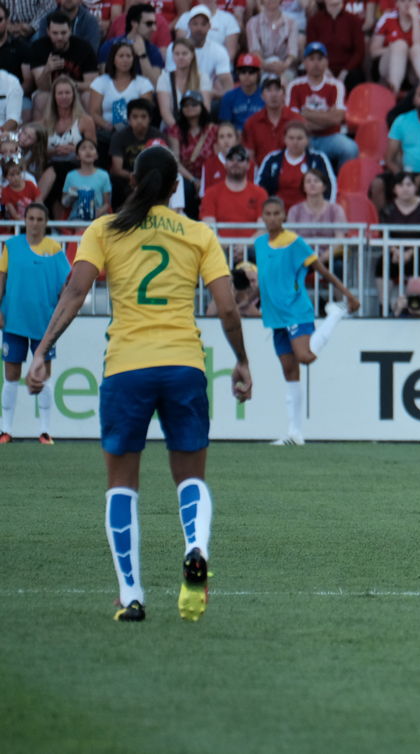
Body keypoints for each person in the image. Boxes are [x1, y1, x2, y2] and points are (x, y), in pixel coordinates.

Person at [25, 145, 252, 622]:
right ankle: (195, 547)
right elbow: (229, 308)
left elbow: (75, 292)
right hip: (184, 366)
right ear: (175, 188)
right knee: (191, 477)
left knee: (121, 485)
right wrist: (242, 361)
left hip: (126, 366)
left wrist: (42, 350)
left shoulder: (104, 230)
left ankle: (132, 594)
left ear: (133, 181)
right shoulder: (198, 234)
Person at [254, 196, 359, 446]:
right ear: (262, 216)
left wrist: (348, 295)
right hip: (275, 316)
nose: (271, 218)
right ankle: (295, 433)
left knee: (306, 357)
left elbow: (322, 271)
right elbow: (267, 279)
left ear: (284, 216)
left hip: (295, 310)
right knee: (290, 372)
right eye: (267, 214)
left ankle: (335, 313)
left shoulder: (294, 242)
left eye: (276, 213)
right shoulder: (259, 244)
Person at [0, 202, 65, 444]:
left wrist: (59, 318)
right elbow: (1, 278)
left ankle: (45, 431)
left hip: (44, 323)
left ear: (46, 222)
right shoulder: (11, 246)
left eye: (40, 219)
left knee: (44, 375)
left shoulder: (55, 248)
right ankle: (6, 430)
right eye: (31, 218)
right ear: (24, 220)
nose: (35, 223)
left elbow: (64, 288)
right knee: (11, 375)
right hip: (13, 319)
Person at [287, 42, 359, 172]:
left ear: (326, 62)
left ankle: (341, 183)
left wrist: (307, 114)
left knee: (351, 148)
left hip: (330, 137)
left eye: (320, 59)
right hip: (303, 137)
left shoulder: (336, 85)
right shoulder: (294, 85)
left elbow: (336, 119)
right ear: (305, 62)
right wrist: (326, 117)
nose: (316, 63)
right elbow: (294, 120)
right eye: (311, 59)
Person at [201, 144, 266, 263]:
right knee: (213, 256)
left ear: (248, 165)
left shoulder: (260, 193)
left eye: (240, 159)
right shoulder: (211, 193)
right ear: (225, 164)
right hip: (220, 247)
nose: (235, 162)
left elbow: (263, 229)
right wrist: (229, 246)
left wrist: (244, 246)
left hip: (251, 248)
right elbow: (209, 228)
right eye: (230, 158)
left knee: (265, 254)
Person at [376, 170, 420, 296]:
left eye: (409, 185)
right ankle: (385, 309)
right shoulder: (387, 209)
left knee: (415, 264)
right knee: (382, 266)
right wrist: (395, 251)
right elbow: (384, 235)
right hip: (395, 252)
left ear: (415, 187)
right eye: (400, 185)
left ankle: (413, 306)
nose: (405, 189)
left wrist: (409, 253)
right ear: (394, 189)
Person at [26, 13, 99, 115]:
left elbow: (93, 84)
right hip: (49, 91)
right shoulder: (39, 47)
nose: (59, 37)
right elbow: (43, 87)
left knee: (88, 97)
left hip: (77, 90)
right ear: (48, 32)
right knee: (41, 99)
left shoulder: (84, 47)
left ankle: (88, 129)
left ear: (70, 31)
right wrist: (47, 70)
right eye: (55, 33)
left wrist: (69, 86)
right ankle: (40, 131)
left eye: (63, 33)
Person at [256, 122, 335, 210]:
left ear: (307, 140)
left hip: (308, 213)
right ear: (284, 139)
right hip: (278, 213)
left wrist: (325, 210)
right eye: (291, 138)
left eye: (299, 138)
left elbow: (329, 185)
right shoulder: (272, 159)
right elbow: (260, 189)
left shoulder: (318, 159)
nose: (295, 142)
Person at [287, 169, 347, 274]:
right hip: (302, 257)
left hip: (329, 256)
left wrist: (322, 259)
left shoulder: (336, 209)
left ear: (324, 187)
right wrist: (308, 258)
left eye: (316, 181)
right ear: (303, 187)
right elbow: (290, 240)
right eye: (308, 181)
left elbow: (339, 239)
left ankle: (339, 291)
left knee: (338, 267)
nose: (312, 184)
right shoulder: (294, 210)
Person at [91, 41, 155, 140]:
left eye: (129, 56)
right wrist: (108, 126)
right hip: (107, 133)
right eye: (121, 56)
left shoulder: (144, 83)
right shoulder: (100, 82)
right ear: (113, 59)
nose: (125, 60)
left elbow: (145, 111)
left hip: (135, 132)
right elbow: (94, 113)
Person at [165, 8, 233, 98]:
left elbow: (228, 86)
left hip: (206, 98)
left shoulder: (218, 50)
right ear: (189, 25)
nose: (199, 28)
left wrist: (212, 94)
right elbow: (172, 80)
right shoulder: (173, 47)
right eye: (195, 23)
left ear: (209, 26)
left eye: (203, 24)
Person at [371, 0, 420, 95]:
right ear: (396, 3)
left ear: (416, 2)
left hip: (414, 69)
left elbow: (419, 44)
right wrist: (396, 49)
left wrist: (415, 19)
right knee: (400, 45)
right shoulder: (387, 18)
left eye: (410, 1)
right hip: (389, 64)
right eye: (402, 1)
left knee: (417, 49)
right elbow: (374, 52)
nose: (407, 4)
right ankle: (393, 91)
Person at [242, 77, 301, 169]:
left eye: (277, 89)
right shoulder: (251, 123)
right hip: (262, 175)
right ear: (262, 95)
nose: (273, 94)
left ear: (284, 94)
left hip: (291, 172)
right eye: (269, 90)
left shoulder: (297, 120)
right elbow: (250, 157)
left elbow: (303, 153)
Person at [306, 0, 367, 88]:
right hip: (322, 69)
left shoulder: (354, 20)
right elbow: (311, 50)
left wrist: (345, 71)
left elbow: (359, 53)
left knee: (354, 77)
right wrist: (324, 69)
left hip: (349, 71)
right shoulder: (313, 21)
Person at [99, 3, 163, 82]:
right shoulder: (109, 46)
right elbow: (104, 82)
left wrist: (142, 56)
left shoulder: (154, 51)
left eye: (155, 24)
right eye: (149, 24)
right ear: (134, 24)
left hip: (143, 94)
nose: (154, 28)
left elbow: (155, 85)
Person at [247, 0, 301, 84]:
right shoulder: (252, 23)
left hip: (285, 68)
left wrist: (283, 66)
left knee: (283, 81)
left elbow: (292, 53)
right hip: (262, 68)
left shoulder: (291, 23)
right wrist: (267, 66)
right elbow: (254, 52)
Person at [60, 137, 109, 219]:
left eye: (91, 148)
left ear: (96, 155)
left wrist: (101, 211)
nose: (88, 151)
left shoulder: (104, 175)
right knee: (81, 226)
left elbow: (106, 203)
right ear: (77, 157)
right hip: (77, 217)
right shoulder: (71, 176)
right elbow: (64, 203)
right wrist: (71, 194)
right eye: (83, 148)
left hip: (98, 216)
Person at [172, 2, 240, 59]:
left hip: (218, 69)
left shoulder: (228, 19)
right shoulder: (185, 17)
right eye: (195, 23)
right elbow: (181, 46)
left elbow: (230, 54)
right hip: (188, 67)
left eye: (203, 24)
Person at [218, 52, 263, 130]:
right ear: (238, 73)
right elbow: (226, 126)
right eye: (243, 71)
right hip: (237, 138)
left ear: (258, 73)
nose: (247, 75)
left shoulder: (266, 94)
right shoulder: (228, 97)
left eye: (251, 71)